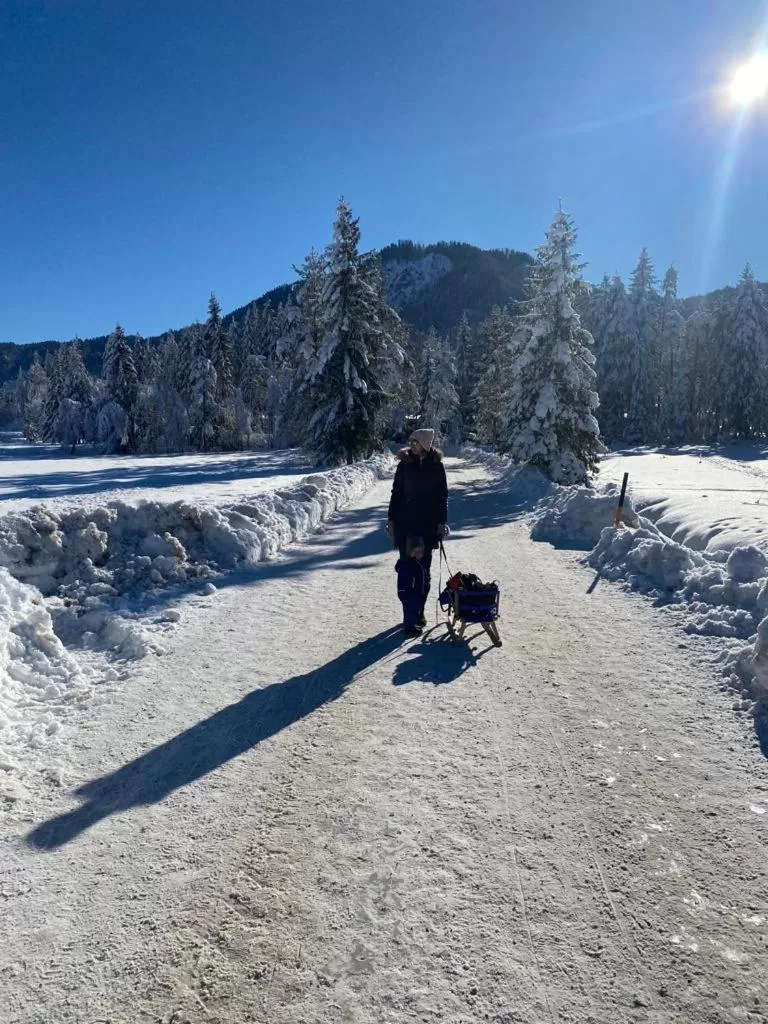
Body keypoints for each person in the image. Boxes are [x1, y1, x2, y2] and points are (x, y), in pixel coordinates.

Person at [387, 428, 448, 635]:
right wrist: (391, 520)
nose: (411, 444)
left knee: (423, 574)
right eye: (410, 441)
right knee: (406, 572)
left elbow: (442, 497)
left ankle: (419, 611)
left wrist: (441, 523)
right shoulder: (404, 465)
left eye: (416, 441)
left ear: (425, 444)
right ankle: (409, 619)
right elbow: (395, 494)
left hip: (427, 528)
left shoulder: (436, 467)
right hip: (406, 527)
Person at [395, 536, 429, 638]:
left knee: (411, 610)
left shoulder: (417, 563)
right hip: (409, 593)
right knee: (411, 611)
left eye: (420, 551)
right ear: (409, 551)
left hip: (414, 593)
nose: (418, 554)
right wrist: (407, 592)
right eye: (415, 551)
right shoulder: (409, 564)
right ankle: (410, 629)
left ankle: (410, 624)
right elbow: (405, 580)